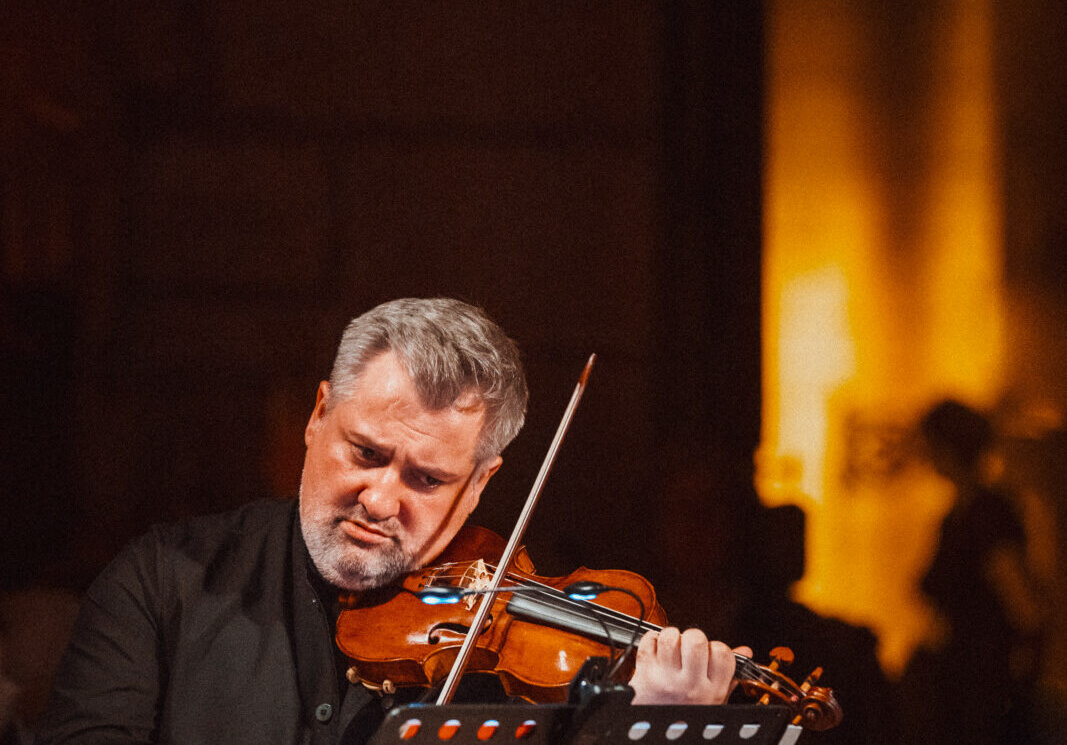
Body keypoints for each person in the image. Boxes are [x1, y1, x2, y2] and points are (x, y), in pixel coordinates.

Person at [36, 298, 749, 744]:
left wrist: (651, 726)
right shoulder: (160, 584)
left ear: (478, 485)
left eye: (427, 478)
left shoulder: (517, 662)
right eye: (366, 453)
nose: (380, 498)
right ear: (318, 417)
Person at [901, 399, 1046, 745]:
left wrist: (1017, 680)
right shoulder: (962, 513)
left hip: (979, 681)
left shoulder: (986, 515)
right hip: (965, 677)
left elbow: (1022, 604)